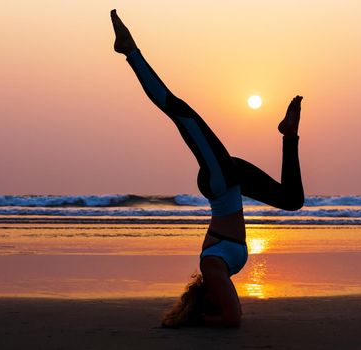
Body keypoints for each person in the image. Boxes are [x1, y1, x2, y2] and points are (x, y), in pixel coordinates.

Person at [111, 9, 304, 327]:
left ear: (205, 299)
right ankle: (289, 135)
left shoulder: (212, 268)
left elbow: (232, 319)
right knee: (292, 200)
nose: (227, 297)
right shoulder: (221, 270)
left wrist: (201, 319)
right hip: (232, 181)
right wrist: (206, 317)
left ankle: (130, 51)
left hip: (220, 182)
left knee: (180, 112)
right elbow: (232, 315)